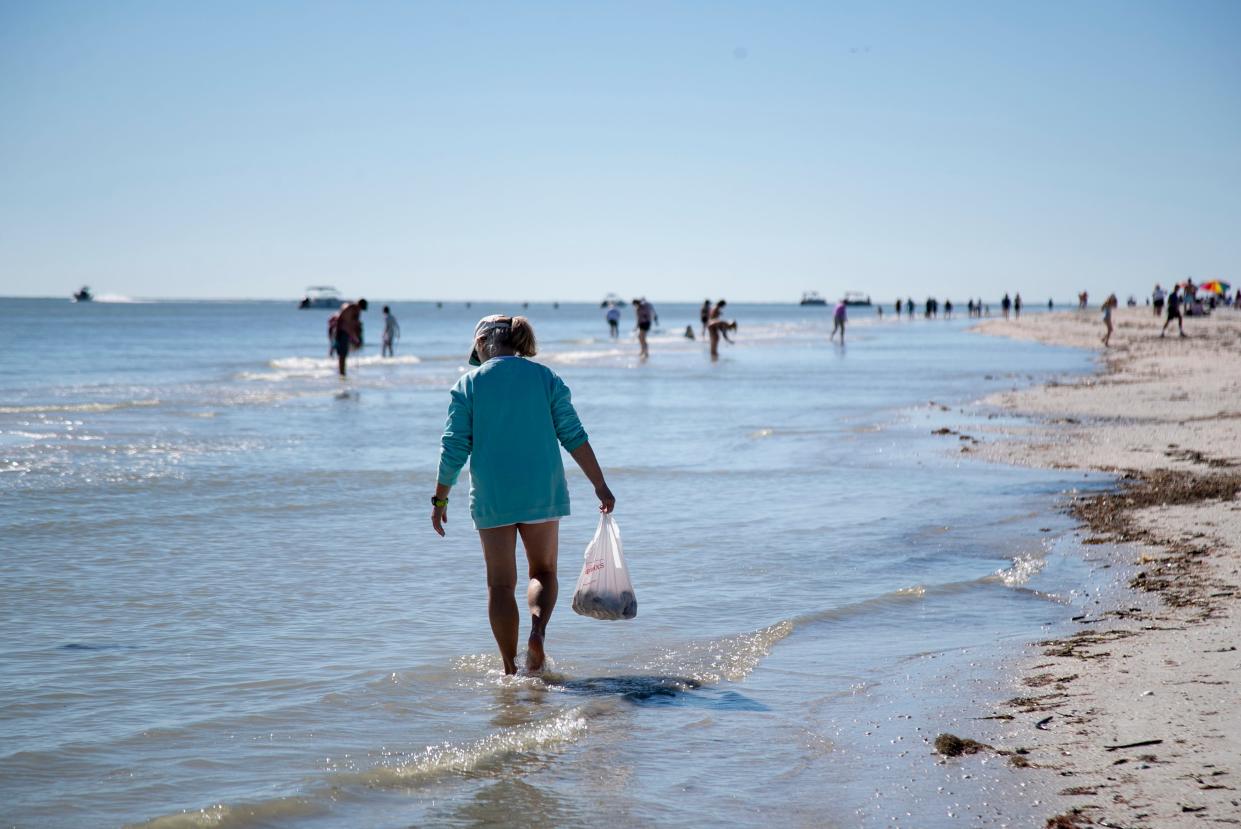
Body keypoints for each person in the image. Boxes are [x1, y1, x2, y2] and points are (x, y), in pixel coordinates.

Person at [432, 315, 615, 675]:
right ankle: (538, 634)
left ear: (483, 344)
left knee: (500, 584)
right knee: (543, 572)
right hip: (541, 489)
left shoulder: (468, 384)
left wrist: (440, 498)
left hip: (493, 494)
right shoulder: (545, 377)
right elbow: (573, 434)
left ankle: (509, 669)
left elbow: (453, 448)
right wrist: (600, 483)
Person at [334, 299, 368, 376]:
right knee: (342, 355)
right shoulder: (351, 308)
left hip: (346, 333)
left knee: (343, 354)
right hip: (342, 332)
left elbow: (352, 324)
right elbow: (343, 320)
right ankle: (342, 373)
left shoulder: (354, 309)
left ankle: (342, 373)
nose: (360, 311)